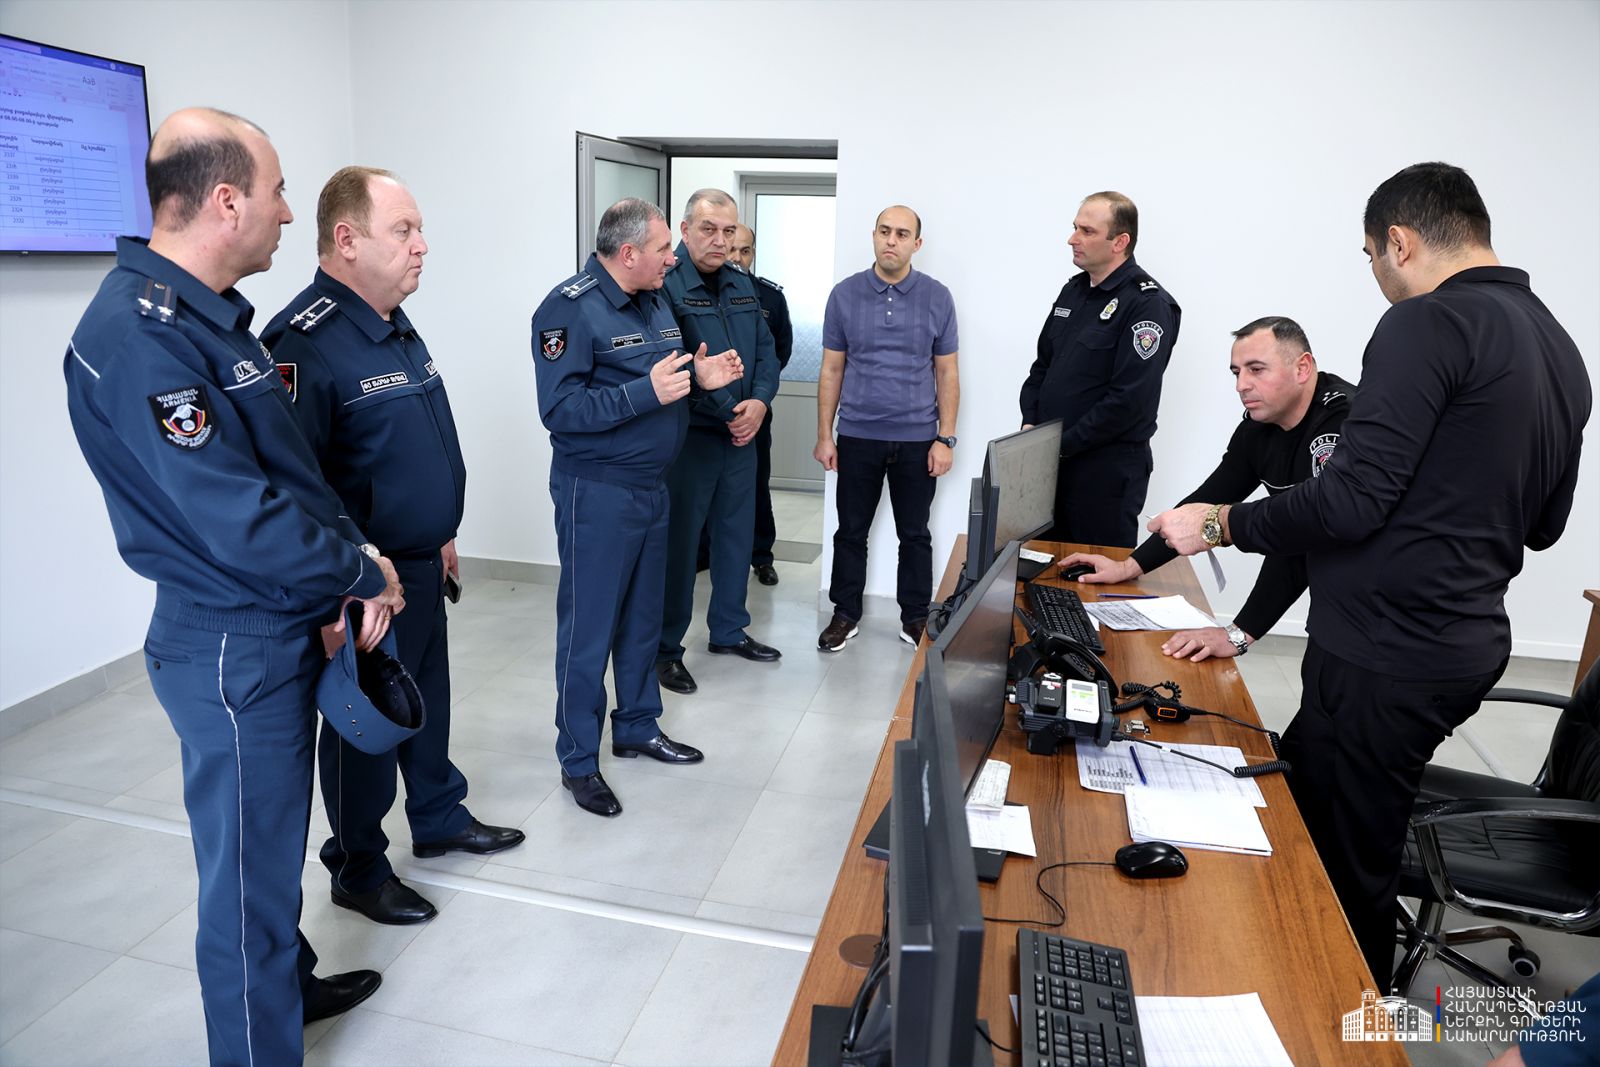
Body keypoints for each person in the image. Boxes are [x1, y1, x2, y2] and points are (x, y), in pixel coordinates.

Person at [1148, 163, 1590, 989]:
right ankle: (1298, 976)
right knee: (1301, 791)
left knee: (1348, 869)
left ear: (1400, 241)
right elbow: (1544, 524)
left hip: (1387, 651)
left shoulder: (1426, 321)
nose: (1377, 274)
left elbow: (1348, 502)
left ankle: (1346, 1018)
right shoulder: (1560, 348)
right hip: (1456, 643)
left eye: (1370, 256)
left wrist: (1220, 523)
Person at [63, 108, 404, 1066]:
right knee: (247, 888)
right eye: (277, 191)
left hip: (272, 616)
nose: (288, 212)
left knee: (269, 853)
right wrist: (360, 570)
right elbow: (239, 518)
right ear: (225, 201)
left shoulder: (210, 320)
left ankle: (287, 989)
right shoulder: (142, 338)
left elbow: (289, 476)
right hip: (231, 640)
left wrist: (344, 565)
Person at [260, 167, 524, 927]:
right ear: (346, 240)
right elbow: (298, 482)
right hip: (363, 580)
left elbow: (410, 447)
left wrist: (439, 532)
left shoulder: (393, 323)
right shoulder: (304, 343)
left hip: (418, 562)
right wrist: (344, 588)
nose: (422, 245)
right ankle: (358, 867)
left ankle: (437, 815)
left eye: (419, 230)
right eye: (403, 230)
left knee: (426, 701)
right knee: (365, 729)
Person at [530, 198, 743, 817]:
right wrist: (641, 393)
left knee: (643, 619)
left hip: (653, 487)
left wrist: (698, 381)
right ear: (627, 254)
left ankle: (638, 726)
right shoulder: (568, 309)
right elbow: (560, 411)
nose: (672, 258)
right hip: (597, 491)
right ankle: (578, 759)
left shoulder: (654, 300)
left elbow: (667, 385)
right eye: (662, 249)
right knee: (589, 629)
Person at [1059, 316, 1355, 661]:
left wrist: (1240, 633)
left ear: (1302, 368)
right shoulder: (1258, 427)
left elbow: (1301, 534)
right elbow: (1209, 499)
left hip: (1374, 607)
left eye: (1256, 370)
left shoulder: (1349, 421)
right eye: (1236, 373)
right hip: (1334, 612)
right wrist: (1129, 566)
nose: (1241, 385)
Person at [815, 205, 960, 651]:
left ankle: (914, 618)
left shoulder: (937, 296)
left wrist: (945, 438)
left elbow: (947, 372)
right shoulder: (844, 295)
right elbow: (831, 369)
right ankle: (845, 614)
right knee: (850, 532)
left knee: (914, 534)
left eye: (901, 233)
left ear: (917, 243)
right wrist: (825, 435)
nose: (891, 240)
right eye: (884, 231)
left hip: (918, 439)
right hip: (858, 436)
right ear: (874, 235)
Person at [654, 190, 782, 696]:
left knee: (736, 535)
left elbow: (767, 353)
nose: (720, 240)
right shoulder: (666, 285)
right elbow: (675, 363)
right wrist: (731, 410)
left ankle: (729, 629)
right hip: (693, 437)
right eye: (708, 229)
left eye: (729, 231)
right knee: (681, 547)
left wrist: (760, 403)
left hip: (743, 434)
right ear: (685, 230)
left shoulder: (740, 282)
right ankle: (666, 649)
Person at [1018, 191, 1181, 547]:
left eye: (1087, 231)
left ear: (1120, 242)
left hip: (1103, 476)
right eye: (1075, 227)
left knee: (1096, 574)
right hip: (1050, 467)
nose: (1072, 238)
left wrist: (1059, 446)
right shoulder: (1074, 291)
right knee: (1041, 568)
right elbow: (1042, 368)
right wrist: (1031, 426)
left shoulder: (1147, 304)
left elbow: (1128, 401)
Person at [726, 223, 793, 586]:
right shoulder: (695, 290)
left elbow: (780, 351)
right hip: (707, 412)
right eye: (731, 249)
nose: (737, 257)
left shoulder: (770, 298)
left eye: (745, 250)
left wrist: (758, 396)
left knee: (756, 483)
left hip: (755, 410)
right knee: (704, 487)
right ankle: (703, 553)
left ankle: (761, 556)